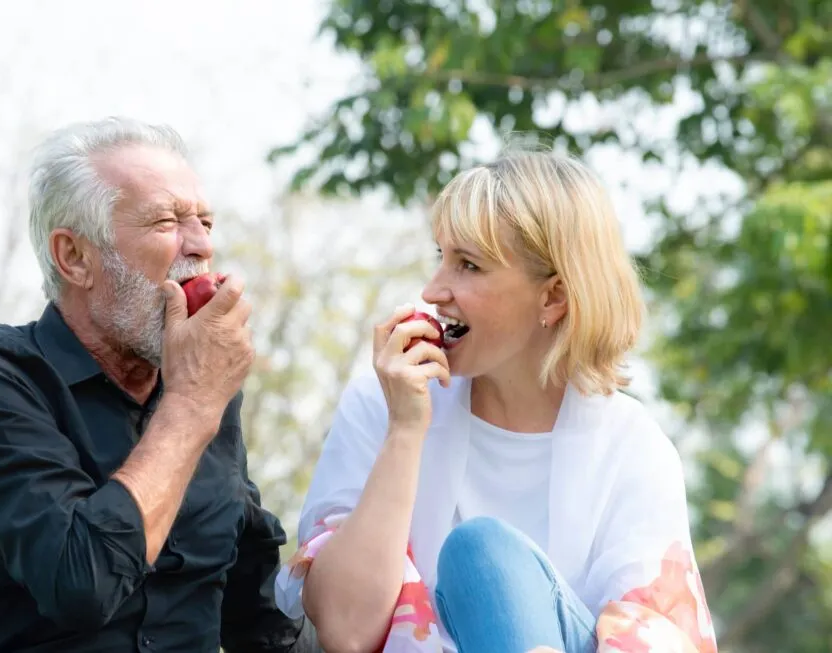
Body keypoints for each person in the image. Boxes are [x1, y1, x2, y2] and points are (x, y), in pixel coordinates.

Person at [0, 116, 317, 653]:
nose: (200, 246)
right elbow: (83, 583)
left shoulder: (203, 393)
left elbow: (258, 619)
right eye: (167, 221)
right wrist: (191, 408)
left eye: (206, 223)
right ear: (74, 257)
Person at [273, 150, 718, 653]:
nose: (433, 290)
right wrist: (404, 431)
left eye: (468, 265)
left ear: (553, 297)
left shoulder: (634, 448)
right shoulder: (380, 406)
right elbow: (345, 631)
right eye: (439, 257)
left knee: (483, 557)